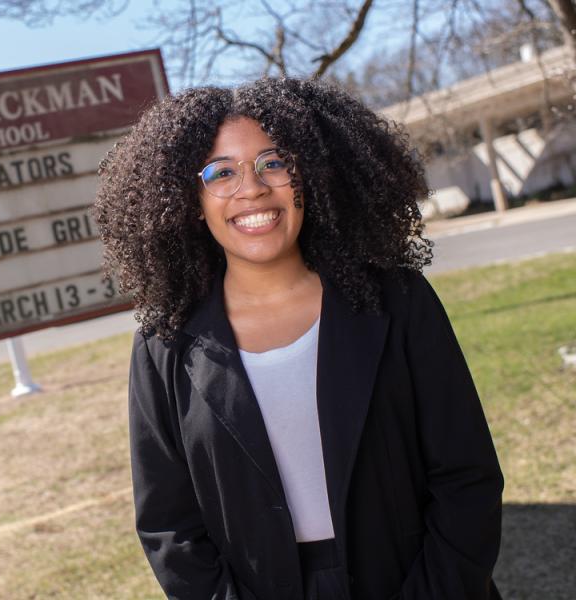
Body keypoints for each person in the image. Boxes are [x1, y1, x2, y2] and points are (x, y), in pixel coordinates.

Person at [93, 78, 504, 600]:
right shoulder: (164, 344)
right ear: (190, 201)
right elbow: (169, 527)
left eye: (274, 162)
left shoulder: (397, 301)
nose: (253, 188)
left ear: (308, 175)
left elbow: (467, 479)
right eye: (221, 173)